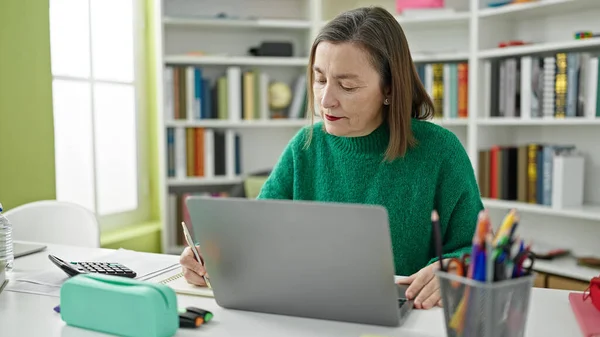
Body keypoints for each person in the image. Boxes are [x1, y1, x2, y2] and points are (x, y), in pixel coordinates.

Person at [180, 6, 484, 310]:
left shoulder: (439, 150)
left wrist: (455, 269)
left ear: (389, 89)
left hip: (410, 320)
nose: (325, 100)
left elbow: (477, 250)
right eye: (320, 79)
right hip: (308, 314)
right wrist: (213, 258)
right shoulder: (305, 147)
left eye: (347, 85)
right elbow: (254, 239)